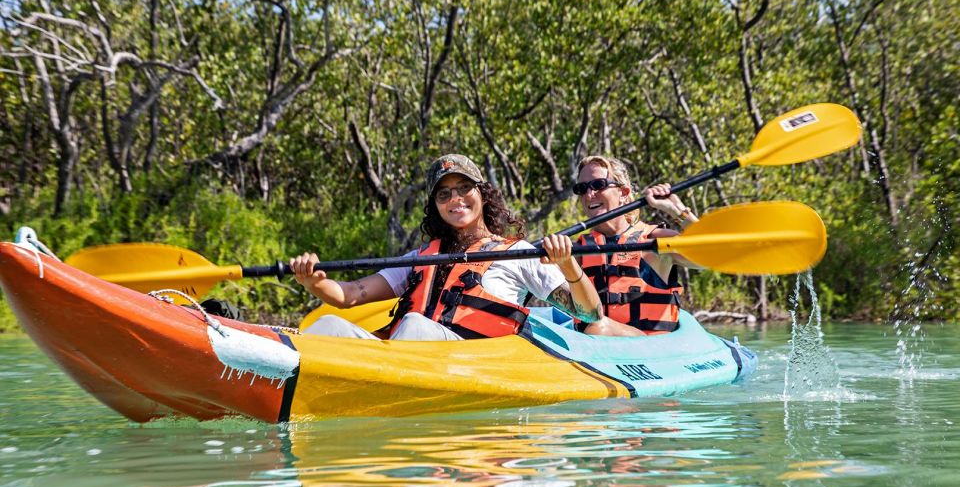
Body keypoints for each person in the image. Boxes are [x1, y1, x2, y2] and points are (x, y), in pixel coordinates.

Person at [290, 154, 602, 341]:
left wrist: (568, 264)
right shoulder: (421, 259)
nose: (455, 199)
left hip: (471, 361)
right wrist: (313, 281)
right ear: (435, 206)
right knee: (328, 324)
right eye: (444, 194)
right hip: (410, 357)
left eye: (464, 188)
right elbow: (350, 295)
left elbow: (590, 314)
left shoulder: (517, 253)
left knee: (413, 325)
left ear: (482, 194)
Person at [572, 155, 699, 337]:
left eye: (598, 185)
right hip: (596, 350)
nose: (589, 194)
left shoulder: (654, 241)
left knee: (598, 327)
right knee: (596, 328)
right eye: (582, 188)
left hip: (649, 348)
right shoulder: (577, 250)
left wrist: (677, 211)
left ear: (623, 193)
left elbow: (715, 255)